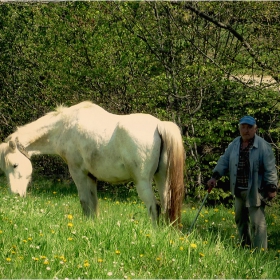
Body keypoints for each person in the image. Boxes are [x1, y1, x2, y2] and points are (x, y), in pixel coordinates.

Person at [207, 116, 278, 249]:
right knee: (240, 220)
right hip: (238, 189)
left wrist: (272, 186)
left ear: (255, 129)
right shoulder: (234, 144)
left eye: (249, 127)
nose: (246, 130)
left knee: (257, 224)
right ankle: (245, 247)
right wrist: (215, 177)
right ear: (239, 128)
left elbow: (270, 168)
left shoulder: (263, 146)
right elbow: (224, 161)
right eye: (243, 127)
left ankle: (260, 252)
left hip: (255, 191)